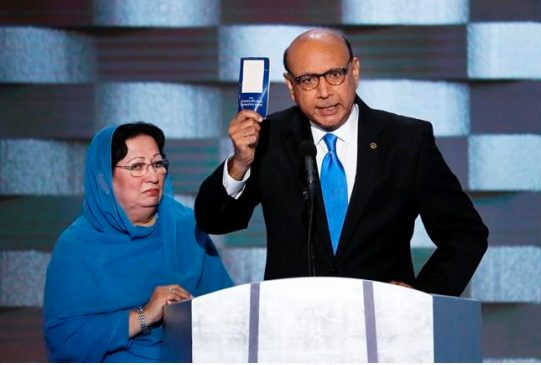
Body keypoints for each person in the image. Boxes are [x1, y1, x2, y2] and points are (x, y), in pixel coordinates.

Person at [194, 28, 488, 297]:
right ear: (290, 86)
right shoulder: (268, 139)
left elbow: (465, 233)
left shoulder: (407, 140)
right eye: (308, 80)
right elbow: (213, 221)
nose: (324, 92)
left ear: (355, 71)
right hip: (292, 326)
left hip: (383, 327)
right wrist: (239, 163)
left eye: (334, 74)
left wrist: (422, 296)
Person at [43, 122, 233, 362]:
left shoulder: (184, 226)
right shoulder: (77, 245)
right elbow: (63, 340)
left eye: (157, 164)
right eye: (137, 166)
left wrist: (194, 314)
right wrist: (144, 315)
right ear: (103, 181)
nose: (153, 176)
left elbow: (227, 308)